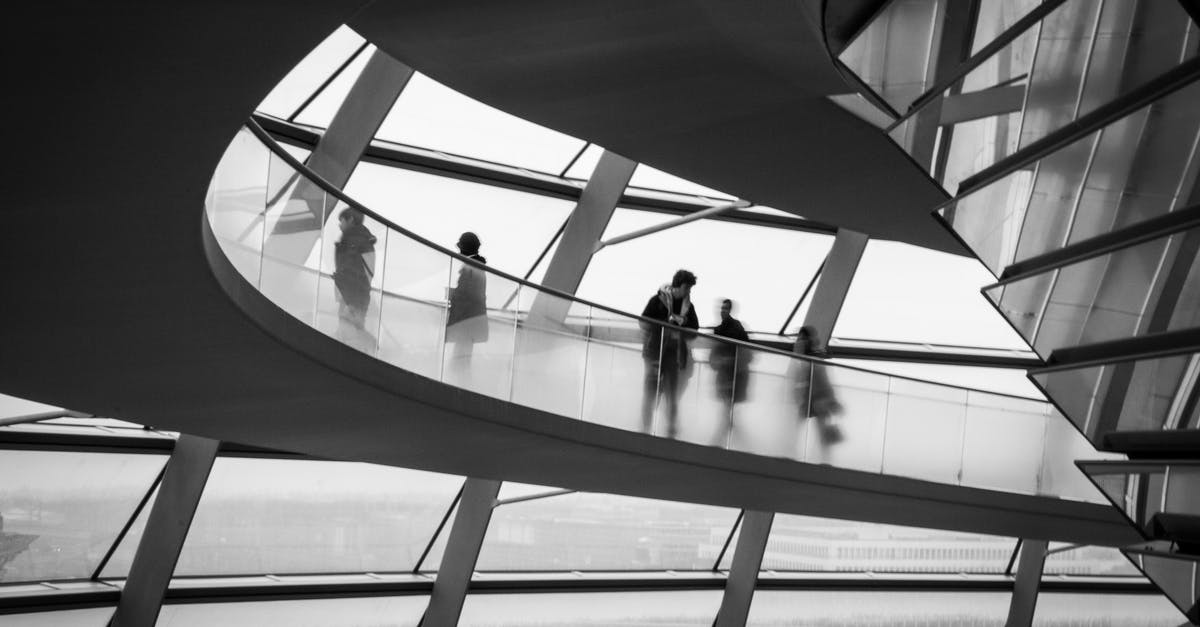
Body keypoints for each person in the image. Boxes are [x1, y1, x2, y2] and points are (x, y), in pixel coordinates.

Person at [640, 269, 699, 438]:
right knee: (652, 391)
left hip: (672, 355)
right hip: (654, 352)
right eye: (687, 288)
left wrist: (683, 324)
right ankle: (646, 430)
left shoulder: (688, 308)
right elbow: (643, 323)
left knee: (671, 393)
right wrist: (666, 324)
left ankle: (670, 433)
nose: (689, 292)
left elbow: (694, 331)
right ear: (679, 286)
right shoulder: (657, 301)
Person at [789, 325, 843, 452]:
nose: (800, 342)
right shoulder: (803, 357)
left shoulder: (814, 358)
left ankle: (822, 459)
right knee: (797, 427)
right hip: (808, 399)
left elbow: (824, 381)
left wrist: (831, 399)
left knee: (821, 431)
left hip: (818, 399)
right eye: (799, 339)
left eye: (803, 339)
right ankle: (792, 451)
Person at [333, 208, 377, 349]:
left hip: (351, 296)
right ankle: (369, 347)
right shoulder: (361, 241)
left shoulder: (354, 241)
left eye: (342, 220)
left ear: (351, 219)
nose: (340, 225)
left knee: (349, 332)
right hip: (354, 295)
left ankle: (371, 347)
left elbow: (350, 270)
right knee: (349, 331)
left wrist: (346, 295)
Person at [711, 298, 751, 445]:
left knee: (726, 409)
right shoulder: (722, 329)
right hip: (727, 375)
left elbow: (745, 353)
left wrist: (728, 363)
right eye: (722, 308)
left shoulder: (734, 328)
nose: (723, 311)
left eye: (726, 308)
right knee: (726, 410)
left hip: (732, 376)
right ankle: (741, 441)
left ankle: (719, 441)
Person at [446, 232, 489, 359]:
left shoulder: (471, 267)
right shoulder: (476, 266)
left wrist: (453, 294)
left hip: (466, 322)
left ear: (465, 249)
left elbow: (469, 295)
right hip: (469, 323)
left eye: (460, 249)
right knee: (462, 358)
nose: (459, 252)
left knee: (459, 360)